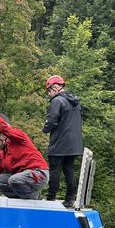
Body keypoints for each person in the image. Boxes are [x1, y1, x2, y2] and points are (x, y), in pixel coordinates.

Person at [42, 75, 84, 208]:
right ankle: (70, 199)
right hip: (74, 144)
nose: (49, 94)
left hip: (60, 143)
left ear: (55, 87)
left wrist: (45, 128)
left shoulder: (57, 101)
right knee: (69, 169)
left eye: (49, 90)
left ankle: (50, 198)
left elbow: (52, 120)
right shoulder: (75, 102)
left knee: (55, 170)